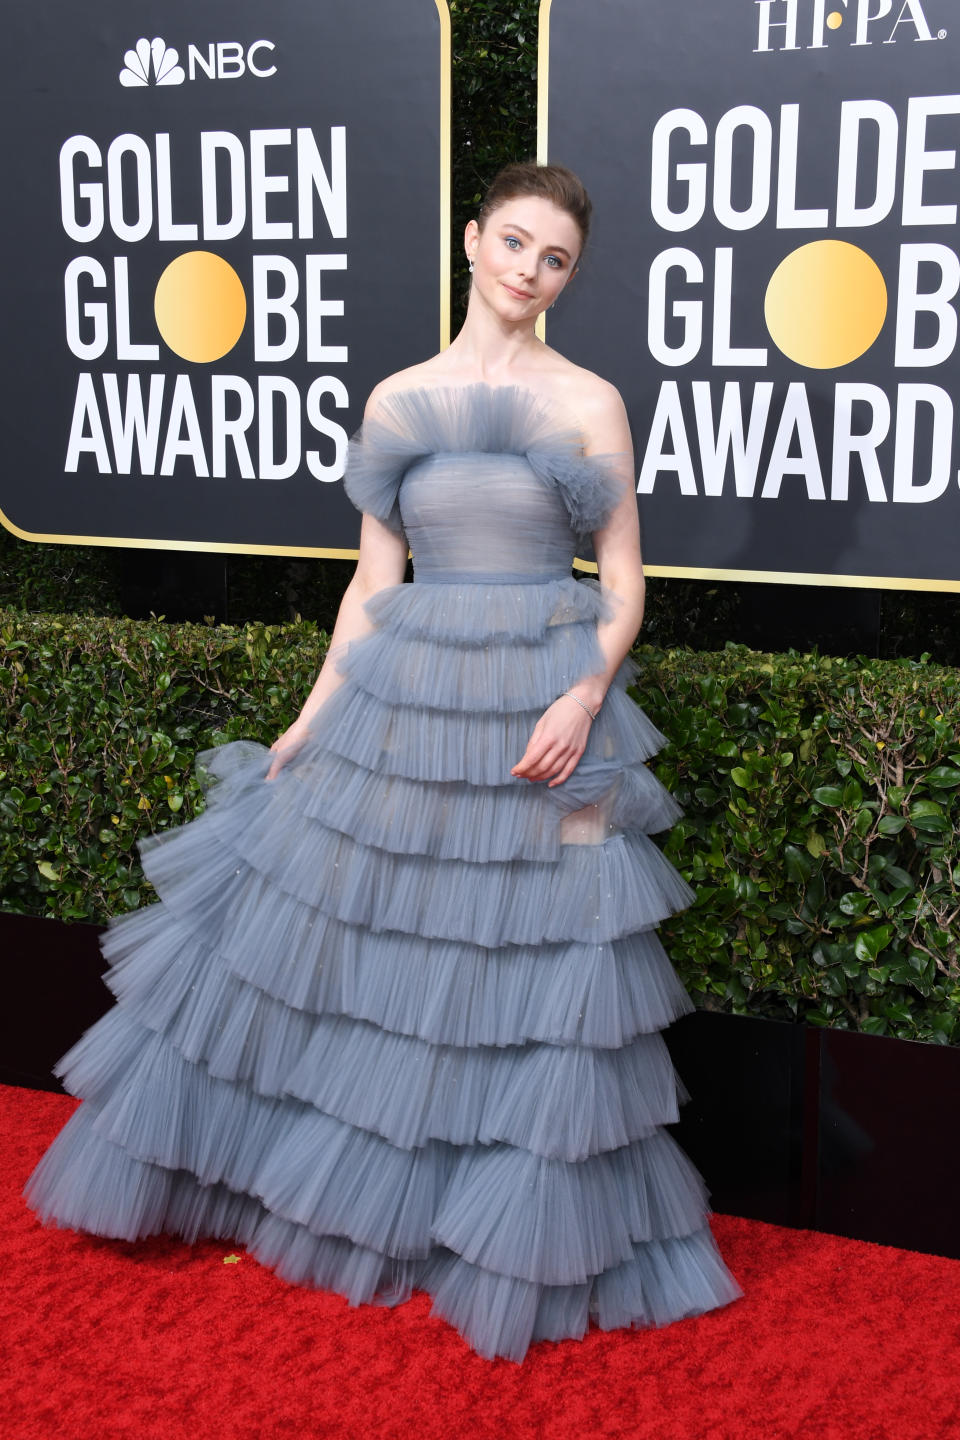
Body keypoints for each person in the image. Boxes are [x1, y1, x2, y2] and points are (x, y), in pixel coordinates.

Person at [24, 161, 744, 1363]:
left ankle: (519, 1232)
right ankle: (387, 1211)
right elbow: (374, 579)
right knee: (402, 950)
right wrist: (313, 720)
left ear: (571, 275)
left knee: (557, 961)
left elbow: (624, 582)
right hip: (415, 696)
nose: (529, 271)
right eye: (514, 243)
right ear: (474, 240)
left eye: (554, 257)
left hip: (550, 704)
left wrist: (585, 691)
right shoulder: (400, 397)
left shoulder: (592, 400)